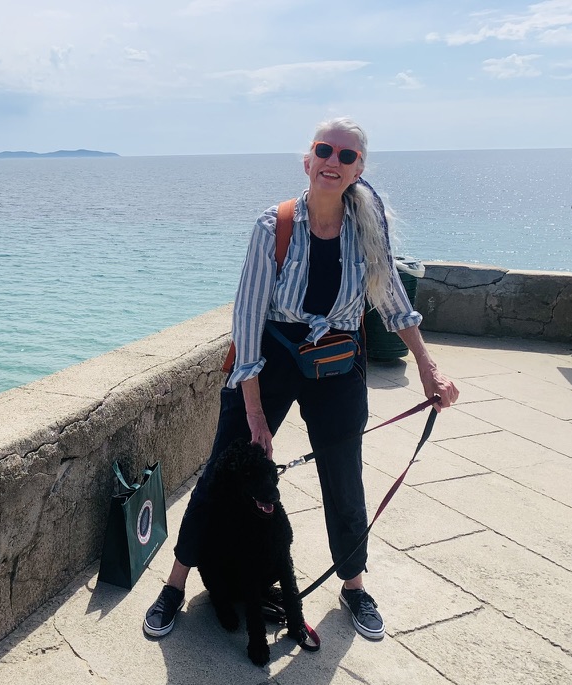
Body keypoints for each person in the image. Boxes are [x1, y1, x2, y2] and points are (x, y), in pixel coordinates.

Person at [143, 117, 459, 642]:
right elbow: (247, 317)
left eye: (347, 156)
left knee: (344, 475)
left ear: (359, 169)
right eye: (324, 150)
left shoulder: (368, 223)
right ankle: (174, 584)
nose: (334, 161)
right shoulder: (275, 225)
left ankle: (354, 585)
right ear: (308, 160)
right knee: (221, 470)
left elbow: (390, 297)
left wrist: (429, 366)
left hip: (338, 359)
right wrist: (253, 411)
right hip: (272, 357)